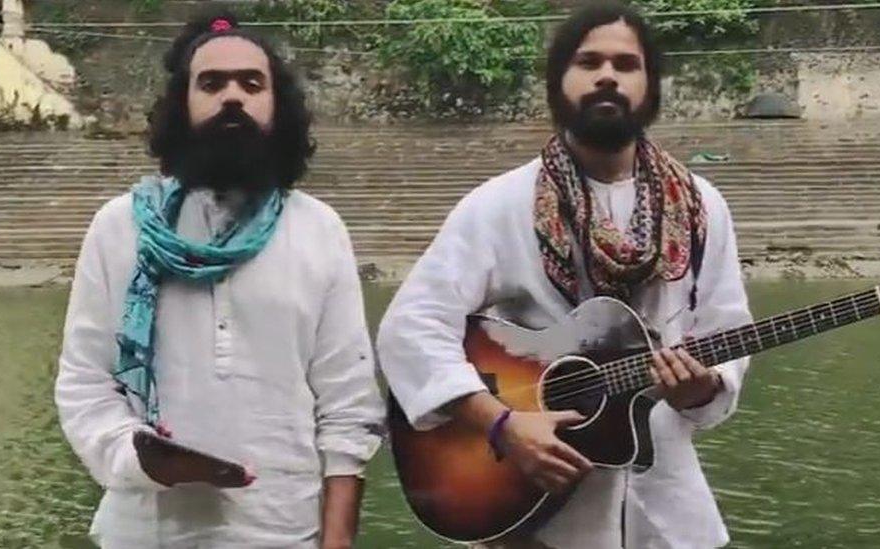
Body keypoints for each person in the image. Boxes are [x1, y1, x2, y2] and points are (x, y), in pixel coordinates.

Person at [377, 3, 753, 548]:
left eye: (626, 64)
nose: (607, 75)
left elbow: (726, 331)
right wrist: (501, 425)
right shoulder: (501, 205)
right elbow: (410, 328)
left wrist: (702, 386)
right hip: (532, 511)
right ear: (560, 83)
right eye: (589, 62)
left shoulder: (701, 207)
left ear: (650, 86)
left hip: (668, 510)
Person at [54, 12, 383, 549]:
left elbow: (348, 401)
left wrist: (338, 537)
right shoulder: (121, 227)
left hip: (284, 529)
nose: (233, 96)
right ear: (182, 104)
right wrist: (141, 457)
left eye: (252, 84)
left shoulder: (319, 228)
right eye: (211, 83)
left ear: (279, 108)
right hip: (146, 530)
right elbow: (85, 383)